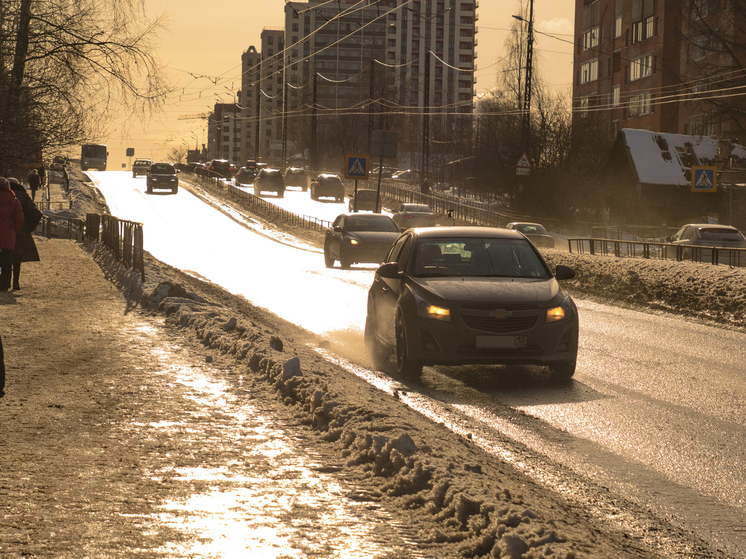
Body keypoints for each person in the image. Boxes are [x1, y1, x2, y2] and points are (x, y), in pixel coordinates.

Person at [7, 178, 41, 291]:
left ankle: (4, 281)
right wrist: (28, 228)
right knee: (17, 256)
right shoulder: (24, 196)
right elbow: (35, 213)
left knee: (5, 255)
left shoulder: (3, 194)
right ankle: (15, 282)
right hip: (20, 229)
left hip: (4, 229)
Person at [0, 177, 24, 291]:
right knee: (6, 260)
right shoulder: (14, 200)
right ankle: (5, 284)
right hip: (8, 232)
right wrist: (14, 230)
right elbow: (19, 218)